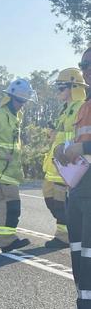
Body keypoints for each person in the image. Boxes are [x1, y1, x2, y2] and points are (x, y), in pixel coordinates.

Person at [0, 78, 36, 253]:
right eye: (21, 101)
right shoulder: (1, 115)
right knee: (11, 204)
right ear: (12, 98)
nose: (23, 105)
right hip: (3, 170)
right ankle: (7, 240)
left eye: (24, 101)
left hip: (6, 170)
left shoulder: (15, 116)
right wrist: (1, 154)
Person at [55, 47, 91, 309]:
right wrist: (66, 150)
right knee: (79, 259)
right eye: (84, 64)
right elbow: (79, 144)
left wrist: (83, 148)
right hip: (79, 190)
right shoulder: (86, 106)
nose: (87, 68)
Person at [42, 68, 86, 249]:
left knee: (61, 202)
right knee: (50, 198)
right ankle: (66, 231)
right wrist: (53, 136)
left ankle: (63, 236)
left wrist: (57, 136)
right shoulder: (66, 109)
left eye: (61, 88)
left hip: (68, 164)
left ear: (73, 86)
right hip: (55, 165)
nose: (58, 92)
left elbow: (77, 136)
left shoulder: (82, 107)